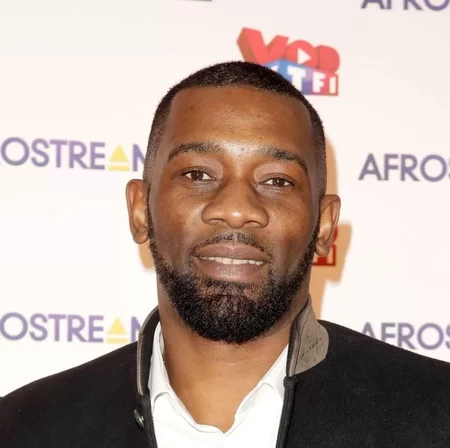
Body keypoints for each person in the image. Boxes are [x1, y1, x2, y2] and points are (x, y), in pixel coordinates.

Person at [1, 61, 450, 448]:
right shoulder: (25, 429)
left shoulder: (436, 414)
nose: (236, 209)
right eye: (198, 174)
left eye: (277, 181)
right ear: (140, 210)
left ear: (325, 225)